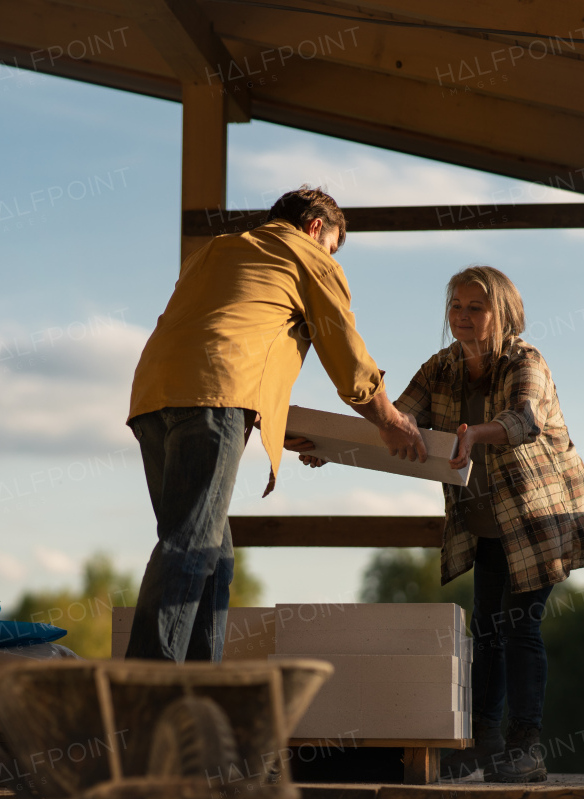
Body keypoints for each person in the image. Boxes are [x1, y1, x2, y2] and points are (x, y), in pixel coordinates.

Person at [291, 265, 584, 782]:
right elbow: (395, 420)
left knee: (521, 628)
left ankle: (527, 748)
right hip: (485, 522)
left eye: (476, 307)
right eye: (456, 306)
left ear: (503, 312)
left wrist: (474, 434)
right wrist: (326, 448)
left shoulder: (527, 362)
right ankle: (485, 744)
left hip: (539, 520)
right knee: (487, 632)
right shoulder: (441, 368)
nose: (464, 317)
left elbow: (525, 419)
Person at [124, 187, 428, 663]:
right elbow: (343, 350)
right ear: (314, 227)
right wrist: (389, 420)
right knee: (191, 544)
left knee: (214, 554)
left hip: (153, 398)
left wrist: (271, 421)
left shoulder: (220, 249)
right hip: (215, 396)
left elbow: (225, 327)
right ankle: (142, 686)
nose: (329, 254)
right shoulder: (308, 255)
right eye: (331, 243)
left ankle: (198, 693)